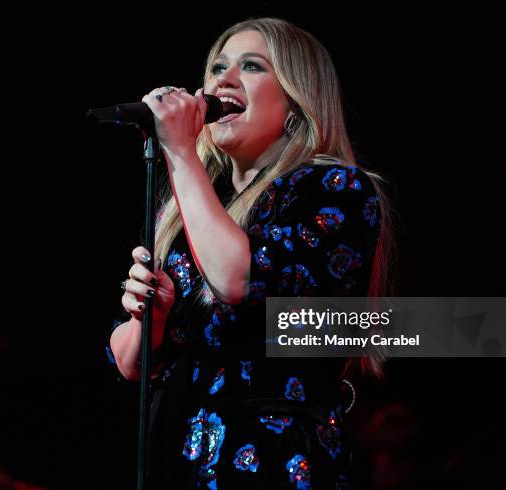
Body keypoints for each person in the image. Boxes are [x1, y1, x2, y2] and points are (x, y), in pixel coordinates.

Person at [108, 17, 392, 489]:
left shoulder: (334, 189)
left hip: (275, 460)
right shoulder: (195, 212)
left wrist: (179, 152)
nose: (223, 78)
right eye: (217, 66)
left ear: (296, 102)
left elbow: (239, 278)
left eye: (252, 66)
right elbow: (131, 364)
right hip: (185, 458)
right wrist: (149, 322)